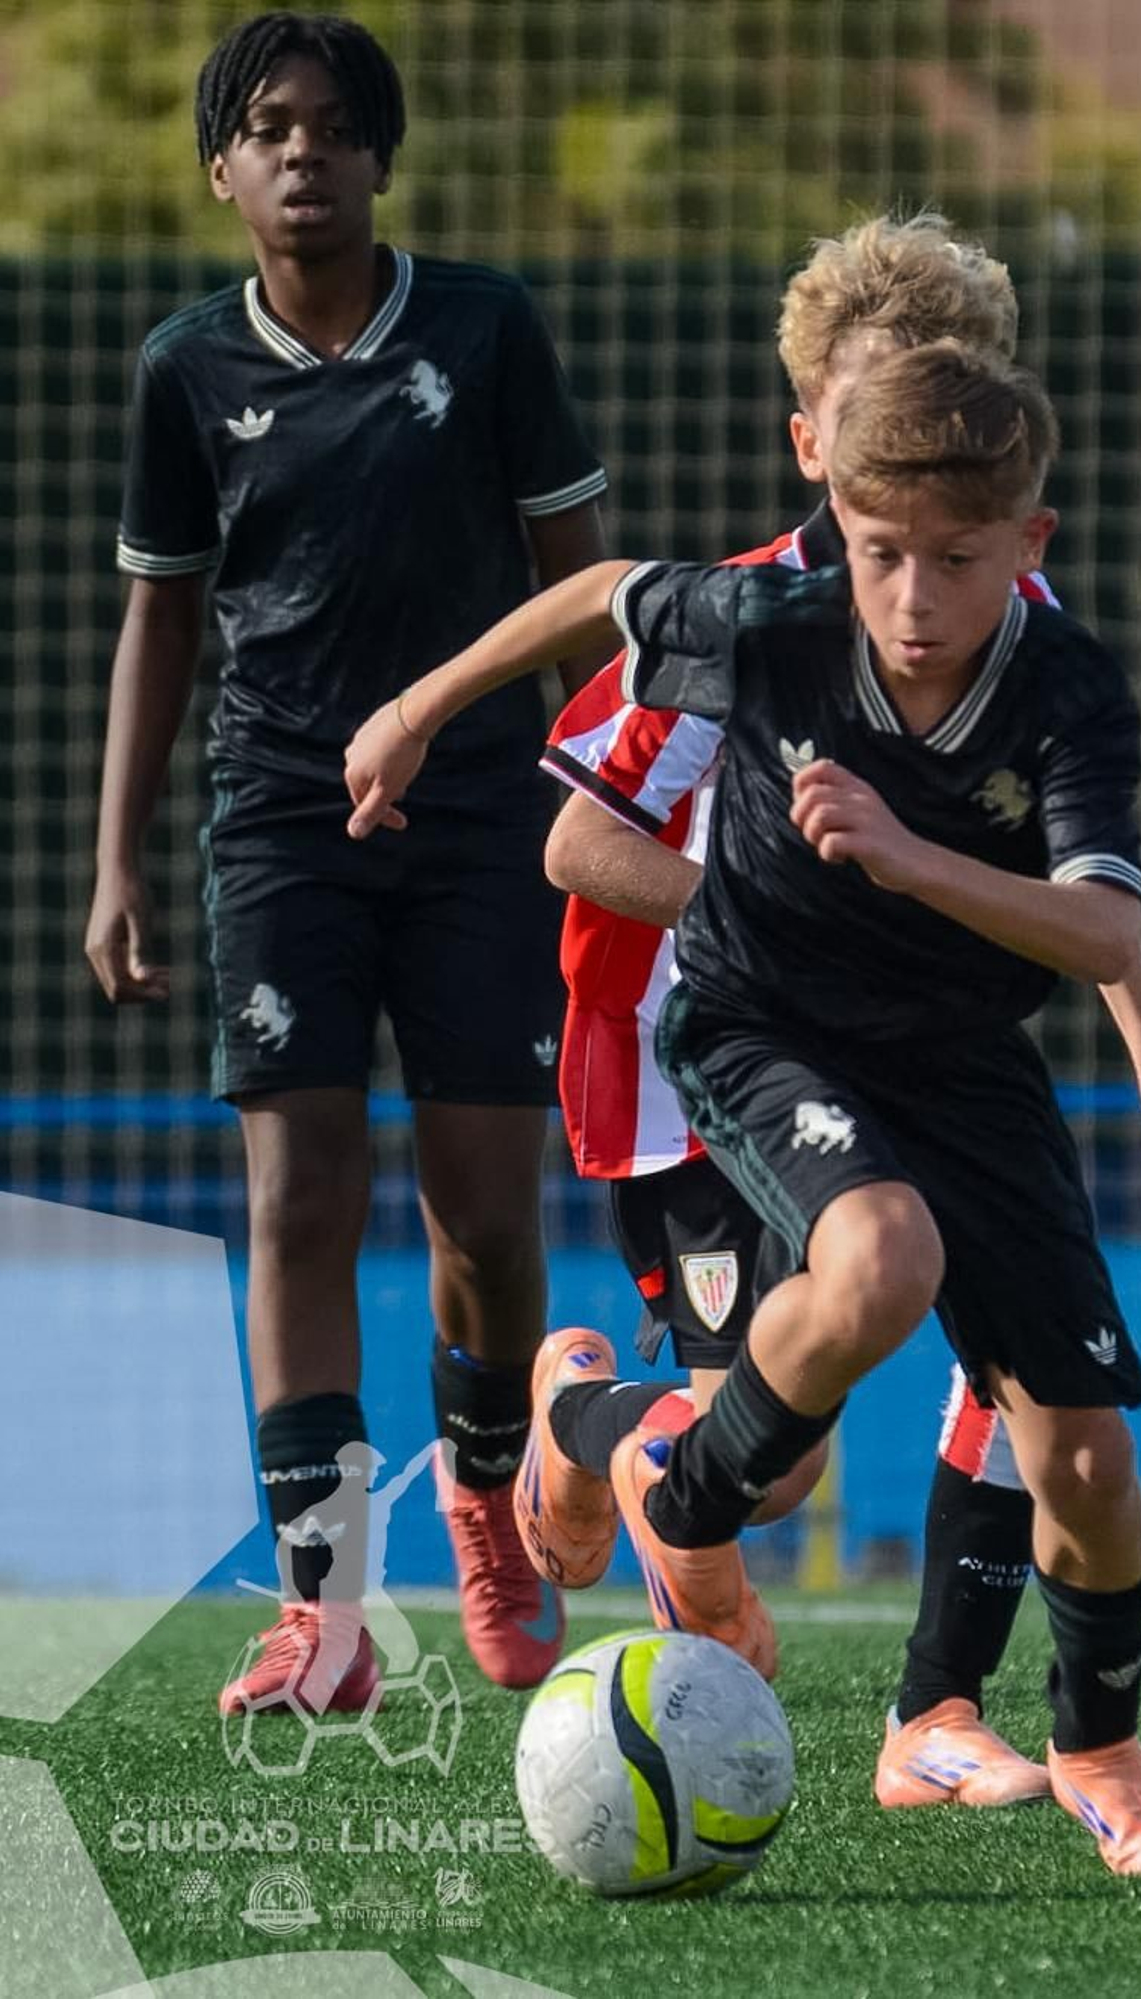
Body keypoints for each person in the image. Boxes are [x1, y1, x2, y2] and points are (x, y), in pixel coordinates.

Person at [343, 340, 1141, 1876]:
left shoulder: (1068, 688)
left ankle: (1101, 1745)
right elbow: (602, 588)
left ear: (1031, 546)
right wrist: (419, 705)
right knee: (883, 1261)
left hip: (961, 1058)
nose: (910, 599)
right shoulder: (775, 616)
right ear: (841, 523)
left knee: (1082, 1457)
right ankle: (691, 1507)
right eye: (880, 555)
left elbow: (1103, 929)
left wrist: (904, 858)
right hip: (761, 1024)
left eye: (955, 562)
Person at [83, 11, 608, 1714]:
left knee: (484, 1223)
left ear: (382, 157)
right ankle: (324, 1607)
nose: (301, 153)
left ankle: (487, 1504)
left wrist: (617, 807)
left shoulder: (485, 327)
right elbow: (161, 621)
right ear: (222, 169)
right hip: (281, 822)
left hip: (479, 826)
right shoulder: (185, 367)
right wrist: (120, 862)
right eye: (267, 128)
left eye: (331, 127)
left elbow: (579, 586)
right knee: (295, 1197)